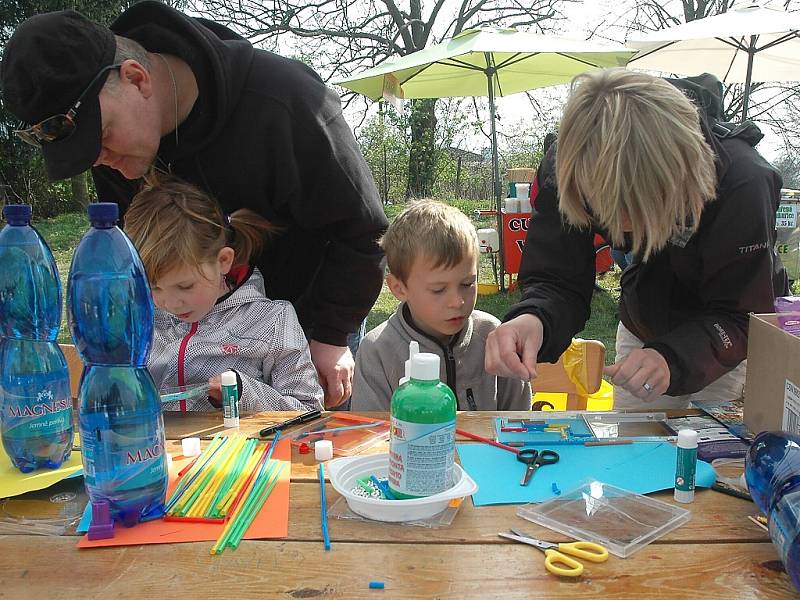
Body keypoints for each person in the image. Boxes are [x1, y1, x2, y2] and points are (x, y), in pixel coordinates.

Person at [0, 3, 388, 408]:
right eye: (82, 155)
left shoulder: (285, 100)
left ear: (136, 78)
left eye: (102, 136)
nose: (98, 159)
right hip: (185, 347)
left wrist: (330, 331)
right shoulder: (116, 153)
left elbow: (364, 231)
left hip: (304, 335)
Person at [486, 68, 788, 410]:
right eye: (603, 209)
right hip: (644, 322)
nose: (622, 228)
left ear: (677, 177)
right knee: (630, 452)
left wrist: (671, 358)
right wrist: (535, 316)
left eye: (634, 208)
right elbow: (557, 277)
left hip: (727, 344)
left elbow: (743, 315)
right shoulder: (571, 168)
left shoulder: (743, 184)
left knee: (718, 457)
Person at [123, 174, 323, 413]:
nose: (170, 302)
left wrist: (242, 392)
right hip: (154, 449)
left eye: (185, 286)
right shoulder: (139, 321)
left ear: (224, 261)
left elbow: (308, 410)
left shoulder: (272, 321)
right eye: (153, 287)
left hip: (243, 448)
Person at [351, 200, 531, 410]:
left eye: (467, 284)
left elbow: (519, 426)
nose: (457, 302)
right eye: (438, 290)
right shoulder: (377, 351)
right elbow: (372, 437)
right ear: (399, 288)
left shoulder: (493, 335)